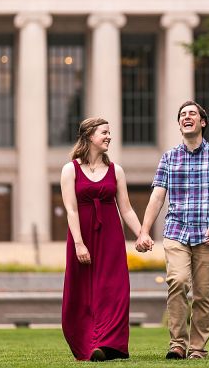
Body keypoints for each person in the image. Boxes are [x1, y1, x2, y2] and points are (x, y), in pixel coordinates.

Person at [136, 100, 209, 360]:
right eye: (182, 115)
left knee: (204, 294)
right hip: (176, 231)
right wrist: (144, 231)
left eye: (192, 114)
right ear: (179, 124)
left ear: (202, 122)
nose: (186, 117)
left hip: (208, 233)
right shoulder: (169, 157)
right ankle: (177, 344)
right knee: (177, 282)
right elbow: (157, 197)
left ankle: (197, 348)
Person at [61, 117, 151, 361]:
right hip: (83, 237)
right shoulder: (70, 169)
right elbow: (71, 210)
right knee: (81, 291)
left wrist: (142, 233)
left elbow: (127, 209)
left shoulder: (116, 171)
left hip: (111, 237)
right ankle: (87, 344)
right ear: (90, 135)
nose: (109, 136)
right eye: (104, 132)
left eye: (109, 132)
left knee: (115, 289)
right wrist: (79, 243)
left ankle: (109, 345)